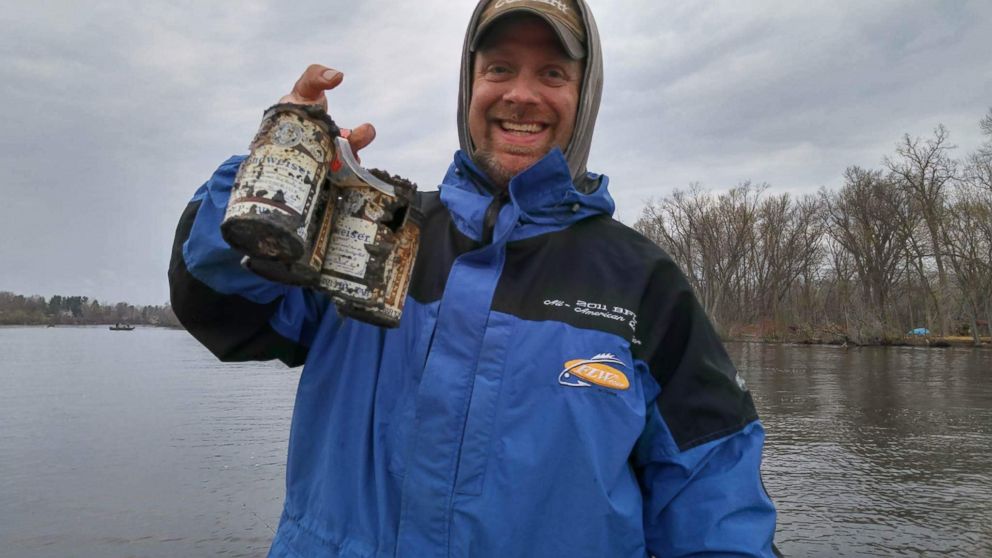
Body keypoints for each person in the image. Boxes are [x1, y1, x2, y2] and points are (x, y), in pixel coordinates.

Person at [169, 0, 779, 556]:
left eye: (552, 74)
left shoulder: (644, 283)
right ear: (469, 85)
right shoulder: (372, 231)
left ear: (584, 95)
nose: (521, 94)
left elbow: (714, 502)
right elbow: (218, 304)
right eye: (498, 68)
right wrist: (277, 161)